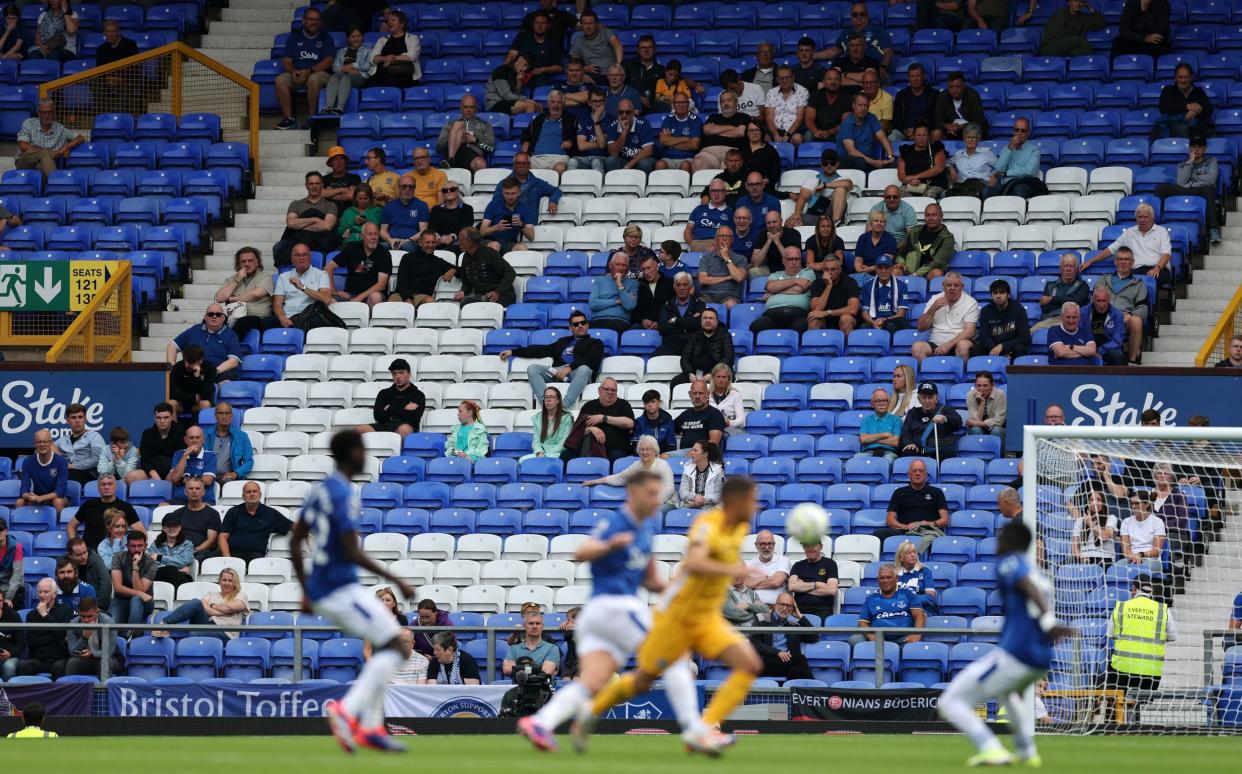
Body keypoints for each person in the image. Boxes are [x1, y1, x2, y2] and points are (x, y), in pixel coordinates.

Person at [520, 471, 706, 750]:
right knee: (678, 655)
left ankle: (541, 723)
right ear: (634, 493)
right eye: (652, 494)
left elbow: (651, 580)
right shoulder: (617, 522)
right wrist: (609, 544)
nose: (658, 500)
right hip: (615, 607)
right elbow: (582, 552)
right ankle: (694, 730)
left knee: (593, 682)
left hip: (600, 616)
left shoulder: (645, 529)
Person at [583, 477, 762, 754]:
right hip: (677, 616)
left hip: (706, 617)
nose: (757, 506)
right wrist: (733, 571)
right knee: (643, 680)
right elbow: (694, 561)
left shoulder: (740, 528)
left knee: (749, 665)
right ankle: (588, 712)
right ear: (737, 501)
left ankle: (704, 729)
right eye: (753, 499)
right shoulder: (707, 524)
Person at [291, 431, 416, 752]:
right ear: (350, 453)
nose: (365, 456)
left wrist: (306, 588)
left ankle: (373, 728)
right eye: (362, 450)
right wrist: (397, 579)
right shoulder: (343, 493)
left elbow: (295, 538)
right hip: (339, 588)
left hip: (329, 587)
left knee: (387, 642)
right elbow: (351, 551)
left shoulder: (321, 490)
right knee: (396, 648)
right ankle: (347, 712)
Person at [939, 521, 1073, 767]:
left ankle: (991, 749)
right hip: (1039, 658)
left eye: (1001, 538)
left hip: (1016, 654)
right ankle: (1026, 751)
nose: (996, 543)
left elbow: (1028, 588)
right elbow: (1034, 594)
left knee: (949, 701)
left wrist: (1048, 620)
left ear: (1012, 541)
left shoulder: (1010, 562)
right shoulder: (1037, 572)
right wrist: (1049, 624)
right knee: (1008, 694)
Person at [500, 310, 605, 409]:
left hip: (577, 372)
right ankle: (546, 405)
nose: (580, 326)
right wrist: (513, 352)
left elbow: (590, 358)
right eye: (576, 324)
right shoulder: (563, 341)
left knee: (584, 369)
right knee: (533, 369)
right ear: (571, 328)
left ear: (587, 325)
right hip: (557, 372)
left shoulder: (596, 343)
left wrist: (569, 368)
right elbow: (541, 350)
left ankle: (563, 407)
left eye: (583, 322)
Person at [274, 7, 335, 129]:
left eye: (317, 20)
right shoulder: (294, 38)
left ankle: (312, 119)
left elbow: (328, 61)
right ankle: (289, 119)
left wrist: (310, 71)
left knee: (313, 79)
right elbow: (286, 61)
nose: (314, 22)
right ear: (303, 21)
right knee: (280, 80)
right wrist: (293, 71)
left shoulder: (326, 37)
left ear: (321, 22)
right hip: (298, 73)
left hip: (319, 73)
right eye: (311, 19)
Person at [155, 567, 249, 642]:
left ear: (235, 583)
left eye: (230, 580)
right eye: (224, 580)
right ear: (219, 581)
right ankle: (163, 625)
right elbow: (203, 607)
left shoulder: (240, 595)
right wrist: (223, 612)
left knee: (194, 634)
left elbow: (231, 607)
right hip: (207, 623)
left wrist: (213, 606)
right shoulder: (211, 594)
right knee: (196, 602)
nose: (227, 583)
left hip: (225, 632)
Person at [1156, 134, 1220, 244]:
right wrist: (1190, 163)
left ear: (1205, 148)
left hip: (1201, 191)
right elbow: (1180, 182)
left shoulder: (1211, 161)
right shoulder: (1183, 164)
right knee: (1161, 189)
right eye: (1193, 146)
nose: (1196, 149)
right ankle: (1157, 225)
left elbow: (1211, 180)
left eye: (1199, 147)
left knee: (1208, 189)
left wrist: (1192, 178)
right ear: (1189, 148)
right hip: (1186, 190)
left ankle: (1213, 229)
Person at [1097, 247, 1151, 365]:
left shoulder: (1139, 284)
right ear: (1115, 262)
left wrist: (1130, 314)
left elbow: (1144, 309)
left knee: (1136, 321)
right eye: (1120, 259)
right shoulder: (1104, 280)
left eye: (1127, 259)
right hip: (1102, 316)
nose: (1123, 262)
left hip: (1124, 319)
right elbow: (1094, 301)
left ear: (1132, 262)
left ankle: (1132, 361)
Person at [851, 564, 926, 647]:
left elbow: (919, 615)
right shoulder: (870, 598)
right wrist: (871, 636)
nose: (885, 581)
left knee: (913, 646)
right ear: (877, 579)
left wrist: (917, 633)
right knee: (855, 639)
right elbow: (862, 622)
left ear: (896, 578)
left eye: (888, 577)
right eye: (882, 578)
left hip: (904, 638)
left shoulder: (908, 593)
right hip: (878, 639)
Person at [561, 378, 634, 462]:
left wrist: (604, 418)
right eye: (607, 389)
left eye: (613, 390)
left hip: (616, 449)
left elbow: (630, 423)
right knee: (565, 456)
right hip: (588, 448)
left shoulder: (623, 404)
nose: (610, 392)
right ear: (599, 390)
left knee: (617, 457)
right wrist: (591, 429)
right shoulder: (588, 406)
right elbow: (577, 431)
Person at [274, 173, 339, 265]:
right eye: (311, 184)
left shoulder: (330, 205)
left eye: (317, 183)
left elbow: (327, 226)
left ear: (322, 185)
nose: (314, 186)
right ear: (306, 186)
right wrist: (315, 219)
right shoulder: (296, 204)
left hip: (321, 243)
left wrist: (300, 225)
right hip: (297, 241)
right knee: (278, 248)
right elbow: (291, 224)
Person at [912, 272, 978, 363]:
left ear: (962, 286)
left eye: (956, 285)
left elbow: (970, 332)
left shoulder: (970, 302)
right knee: (917, 347)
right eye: (949, 285)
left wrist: (947, 345)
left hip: (958, 343)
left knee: (963, 345)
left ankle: (962, 375)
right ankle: (929, 375)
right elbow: (921, 327)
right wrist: (933, 308)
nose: (952, 288)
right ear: (943, 285)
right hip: (936, 343)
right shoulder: (935, 299)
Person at [219, 481, 292, 564]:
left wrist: (306, 532)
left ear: (260, 495)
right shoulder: (233, 512)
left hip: (254, 556)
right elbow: (222, 537)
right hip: (231, 553)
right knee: (206, 560)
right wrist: (227, 558)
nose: (252, 494)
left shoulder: (270, 514)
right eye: (248, 492)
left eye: (255, 491)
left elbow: (291, 526)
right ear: (243, 496)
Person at [816, 2, 895, 77]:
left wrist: (883, 66)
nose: (858, 17)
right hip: (851, 69)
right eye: (855, 14)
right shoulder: (846, 32)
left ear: (867, 16)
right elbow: (834, 51)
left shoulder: (878, 31)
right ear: (851, 17)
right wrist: (812, 56)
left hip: (874, 69)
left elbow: (888, 52)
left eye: (862, 14)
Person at [324, 223, 391, 309]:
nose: (373, 237)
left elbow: (381, 285)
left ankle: (371, 322)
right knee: (328, 300)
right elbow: (328, 267)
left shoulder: (384, 253)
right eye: (370, 234)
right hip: (350, 294)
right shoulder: (352, 248)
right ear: (362, 236)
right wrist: (333, 291)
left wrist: (358, 299)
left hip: (371, 295)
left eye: (376, 234)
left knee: (375, 297)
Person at [215, 247, 274, 343]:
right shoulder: (232, 279)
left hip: (256, 318)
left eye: (250, 260)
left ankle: (227, 346)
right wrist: (237, 280)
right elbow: (219, 298)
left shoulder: (265, 277)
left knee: (245, 321)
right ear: (238, 264)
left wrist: (232, 299)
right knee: (211, 316)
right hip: (233, 316)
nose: (247, 264)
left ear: (257, 262)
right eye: (243, 261)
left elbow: (257, 294)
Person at [749, 248, 815, 334]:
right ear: (783, 261)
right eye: (790, 259)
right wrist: (795, 280)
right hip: (772, 315)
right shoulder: (776, 274)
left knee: (802, 326)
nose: (794, 262)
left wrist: (775, 291)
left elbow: (798, 290)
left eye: (797, 259)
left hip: (798, 314)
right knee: (756, 326)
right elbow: (770, 287)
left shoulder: (807, 272)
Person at [17, 97, 84, 180]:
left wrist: (62, 150)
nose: (47, 115)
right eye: (44, 113)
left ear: (54, 113)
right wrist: (47, 152)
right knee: (44, 153)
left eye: (50, 112)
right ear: (39, 113)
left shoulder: (60, 128)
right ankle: (57, 183)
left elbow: (80, 138)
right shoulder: (29, 123)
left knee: (41, 167)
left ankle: (53, 188)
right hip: (25, 163)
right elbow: (23, 146)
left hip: (43, 165)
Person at [69, 472, 141, 549]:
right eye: (103, 484)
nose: (106, 487)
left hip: (114, 553)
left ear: (115, 486)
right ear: (98, 488)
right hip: (89, 553)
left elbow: (141, 533)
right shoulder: (88, 505)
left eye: (110, 484)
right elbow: (71, 526)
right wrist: (74, 544)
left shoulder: (126, 507)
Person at [357, 358, 425, 437]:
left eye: (401, 373)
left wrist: (390, 408)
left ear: (409, 374)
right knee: (359, 429)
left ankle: (399, 449)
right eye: (394, 373)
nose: (398, 376)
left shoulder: (418, 395)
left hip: (406, 426)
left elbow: (414, 418)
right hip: (385, 426)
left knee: (404, 429)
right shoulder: (383, 393)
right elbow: (378, 416)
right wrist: (404, 409)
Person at [16, 578, 70, 677]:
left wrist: (45, 614)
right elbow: (31, 642)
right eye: (40, 592)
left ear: (54, 594)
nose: (42, 595)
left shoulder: (65, 610)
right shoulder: (31, 615)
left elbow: (62, 633)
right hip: (38, 658)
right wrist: (54, 637)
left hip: (58, 658)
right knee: (23, 665)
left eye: (46, 592)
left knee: (59, 667)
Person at [898, 383, 964, 461]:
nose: (927, 401)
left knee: (948, 453)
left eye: (930, 397)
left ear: (936, 398)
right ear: (919, 399)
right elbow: (905, 432)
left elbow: (959, 423)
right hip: (918, 449)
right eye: (924, 398)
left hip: (939, 448)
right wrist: (908, 443)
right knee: (908, 451)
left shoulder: (945, 410)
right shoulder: (912, 413)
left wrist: (945, 419)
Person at [389, 232, 455, 309]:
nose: (430, 245)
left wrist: (453, 270)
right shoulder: (407, 258)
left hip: (423, 297)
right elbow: (402, 280)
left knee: (431, 302)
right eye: (427, 242)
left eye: (433, 242)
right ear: (420, 243)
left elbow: (461, 270)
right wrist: (406, 299)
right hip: (401, 295)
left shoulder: (438, 262)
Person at [454, 227, 517, 306]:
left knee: (487, 303)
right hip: (481, 296)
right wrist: (463, 291)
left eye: (461, 240)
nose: (458, 242)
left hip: (501, 295)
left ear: (470, 242)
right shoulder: (465, 257)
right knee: (464, 303)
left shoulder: (489, 253)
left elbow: (510, 272)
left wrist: (497, 291)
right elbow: (466, 282)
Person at [673, 308, 735, 389]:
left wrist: (712, 374)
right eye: (705, 318)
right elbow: (685, 357)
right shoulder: (694, 336)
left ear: (716, 322)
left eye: (711, 318)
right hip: (694, 374)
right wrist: (690, 373)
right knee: (675, 382)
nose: (707, 321)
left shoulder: (725, 336)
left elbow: (728, 358)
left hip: (718, 373)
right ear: (701, 321)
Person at [790, 150, 853, 228]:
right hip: (816, 215)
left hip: (832, 215)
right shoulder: (812, 179)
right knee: (791, 222)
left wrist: (825, 185)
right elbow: (803, 197)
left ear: (837, 164)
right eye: (825, 163)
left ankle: (834, 224)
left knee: (840, 190)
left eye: (832, 163)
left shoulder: (843, 179)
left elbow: (849, 184)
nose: (829, 166)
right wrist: (797, 214)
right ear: (821, 164)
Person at [983, 117, 1043, 200]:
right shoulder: (1006, 148)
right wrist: (1010, 148)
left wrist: (1006, 173)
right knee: (987, 191)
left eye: (1023, 130)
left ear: (1028, 133)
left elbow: (1029, 172)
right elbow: (999, 169)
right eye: (1017, 130)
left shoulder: (1034, 150)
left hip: (1024, 184)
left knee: (1019, 189)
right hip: (1006, 185)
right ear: (1013, 131)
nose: (1019, 133)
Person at [107, 529, 156, 628]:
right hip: (121, 600)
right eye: (133, 546)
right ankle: (127, 634)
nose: (137, 549)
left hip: (144, 603)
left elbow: (140, 590)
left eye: (140, 546)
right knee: (111, 627)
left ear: (145, 546)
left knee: (136, 599)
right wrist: (140, 593)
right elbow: (117, 587)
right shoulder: (118, 557)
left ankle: (132, 633)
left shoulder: (151, 563)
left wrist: (135, 567)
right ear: (127, 546)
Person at [520, 91, 576, 174]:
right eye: (553, 102)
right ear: (548, 104)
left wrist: (570, 142)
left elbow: (576, 138)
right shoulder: (538, 120)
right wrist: (525, 143)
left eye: (559, 102)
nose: (555, 105)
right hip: (536, 159)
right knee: (521, 166)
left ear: (563, 105)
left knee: (560, 168)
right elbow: (525, 134)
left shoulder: (571, 120)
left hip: (558, 159)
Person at [974, 279, 1031, 361]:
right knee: (976, 349)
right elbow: (984, 337)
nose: (998, 296)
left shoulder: (1019, 310)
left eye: (1002, 292)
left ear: (1008, 295)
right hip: (992, 347)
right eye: (995, 293)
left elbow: (1025, 337)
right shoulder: (985, 311)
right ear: (991, 295)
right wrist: (996, 350)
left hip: (1010, 347)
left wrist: (1003, 346)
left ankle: (1016, 373)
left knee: (1020, 348)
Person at [694, 91, 750, 172]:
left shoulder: (743, 117)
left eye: (729, 100)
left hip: (733, 152)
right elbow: (706, 130)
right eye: (723, 101)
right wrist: (733, 128)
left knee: (731, 169)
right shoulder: (713, 117)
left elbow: (740, 132)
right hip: (709, 152)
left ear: (736, 102)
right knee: (698, 163)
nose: (726, 103)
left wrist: (716, 130)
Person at [437, 95, 494, 173]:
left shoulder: (485, 125)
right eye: (466, 107)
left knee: (481, 163)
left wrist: (475, 140)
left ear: (476, 108)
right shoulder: (451, 124)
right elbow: (439, 147)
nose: (468, 110)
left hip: (473, 155)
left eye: (472, 107)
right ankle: (450, 159)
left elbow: (490, 148)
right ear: (460, 108)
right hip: (454, 153)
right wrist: (454, 138)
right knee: (458, 125)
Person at [167, 477, 221, 562]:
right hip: (179, 552)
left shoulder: (213, 514)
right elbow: (170, 536)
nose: (194, 491)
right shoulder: (177, 513)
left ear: (203, 492)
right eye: (191, 488)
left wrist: (194, 550)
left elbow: (211, 541)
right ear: (185, 492)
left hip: (202, 553)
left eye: (198, 488)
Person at [16, 429, 68, 514]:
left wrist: (41, 498)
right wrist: (29, 496)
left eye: (45, 441)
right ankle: (24, 525)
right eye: (39, 442)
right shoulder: (28, 461)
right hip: (36, 496)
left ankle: (58, 526)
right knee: (19, 502)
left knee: (58, 502)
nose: (42, 445)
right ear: (35, 444)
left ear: (51, 443)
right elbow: (24, 489)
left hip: (55, 497)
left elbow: (60, 491)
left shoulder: (61, 462)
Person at [1033, 253, 1091, 331]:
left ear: (1077, 269)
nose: (1068, 269)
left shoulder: (1083, 286)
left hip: (1073, 320)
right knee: (1031, 332)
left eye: (1071, 266)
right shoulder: (1050, 286)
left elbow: (1078, 301)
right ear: (1061, 268)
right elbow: (1045, 308)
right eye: (1065, 266)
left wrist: (1051, 300)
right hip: (1052, 320)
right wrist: (1068, 302)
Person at [323, 25, 372, 114]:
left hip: (361, 76)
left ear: (362, 37)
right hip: (345, 73)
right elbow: (335, 67)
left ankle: (340, 108)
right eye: (352, 37)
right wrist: (348, 70)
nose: (356, 39)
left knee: (346, 77)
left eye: (358, 36)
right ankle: (329, 107)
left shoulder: (368, 51)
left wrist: (353, 65)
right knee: (334, 76)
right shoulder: (341, 51)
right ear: (348, 39)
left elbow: (368, 66)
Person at [507, 11, 564, 88]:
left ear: (548, 25)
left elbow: (559, 67)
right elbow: (511, 56)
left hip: (541, 76)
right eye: (537, 23)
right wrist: (502, 72)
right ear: (533, 25)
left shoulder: (553, 42)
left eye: (543, 23)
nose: (539, 26)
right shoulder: (523, 37)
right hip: (520, 74)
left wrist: (542, 69)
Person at [838, 93, 894, 171]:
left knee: (892, 164)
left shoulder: (872, 118)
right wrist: (874, 162)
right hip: (848, 161)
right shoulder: (847, 124)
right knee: (861, 162)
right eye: (860, 105)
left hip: (867, 159)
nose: (863, 108)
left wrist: (891, 156)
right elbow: (852, 152)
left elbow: (882, 137)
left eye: (866, 105)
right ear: (854, 106)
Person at [481, 176, 536, 254]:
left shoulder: (524, 208)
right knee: (496, 245)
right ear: (502, 192)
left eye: (513, 193)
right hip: (490, 240)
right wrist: (496, 227)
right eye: (507, 193)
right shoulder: (494, 204)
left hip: (509, 243)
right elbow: (482, 232)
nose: (510, 197)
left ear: (519, 192)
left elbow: (531, 236)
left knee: (522, 248)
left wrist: (521, 225)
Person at [786, 538, 839, 619]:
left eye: (813, 545)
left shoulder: (830, 564)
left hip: (822, 609)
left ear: (821, 547)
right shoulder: (798, 565)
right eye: (806, 546)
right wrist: (817, 584)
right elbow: (791, 587)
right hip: (798, 609)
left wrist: (802, 588)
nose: (810, 548)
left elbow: (831, 590)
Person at [367, 8, 420, 89]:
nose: (389, 23)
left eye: (393, 20)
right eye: (389, 20)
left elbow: (411, 56)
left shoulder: (413, 39)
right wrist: (386, 59)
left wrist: (393, 58)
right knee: (367, 88)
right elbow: (373, 58)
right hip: (380, 75)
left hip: (402, 74)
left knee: (392, 84)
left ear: (402, 24)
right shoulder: (382, 40)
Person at [671, 381, 727, 456]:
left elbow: (713, 444)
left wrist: (694, 452)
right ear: (690, 395)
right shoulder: (685, 414)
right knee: (662, 457)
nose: (697, 396)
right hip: (683, 453)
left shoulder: (715, 414)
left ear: (708, 394)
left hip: (704, 453)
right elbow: (669, 428)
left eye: (700, 393)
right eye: (694, 393)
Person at [697, 227, 749, 307]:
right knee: (697, 305)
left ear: (732, 240)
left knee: (731, 305)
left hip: (729, 296)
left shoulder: (740, 258)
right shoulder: (706, 257)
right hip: (707, 295)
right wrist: (727, 278)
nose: (724, 239)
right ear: (716, 239)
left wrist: (726, 257)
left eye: (727, 236)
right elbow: (703, 280)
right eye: (721, 236)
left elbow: (739, 277)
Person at [654, 272, 704, 355]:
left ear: (690, 287)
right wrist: (686, 326)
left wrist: (676, 321)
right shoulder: (667, 305)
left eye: (685, 285)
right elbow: (662, 328)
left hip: (692, 347)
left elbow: (698, 325)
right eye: (678, 285)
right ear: (674, 287)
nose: (681, 288)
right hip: (670, 348)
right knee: (655, 360)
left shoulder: (699, 304)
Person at [588, 252, 639, 333]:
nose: (620, 268)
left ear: (628, 268)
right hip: (598, 321)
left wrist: (619, 284)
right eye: (617, 264)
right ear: (610, 265)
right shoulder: (599, 280)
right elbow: (593, 304)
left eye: (624, 265)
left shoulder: (633, 283)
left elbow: (629, 305)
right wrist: (617, 301)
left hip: (620, 322)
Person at [521, 387, 574, 463]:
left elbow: (564, 442)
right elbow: (536, 441)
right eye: (546, 397)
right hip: (541, 454)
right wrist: (539, 452)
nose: (548, 400)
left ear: (558, 400)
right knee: (522, 461)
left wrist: (548, 455)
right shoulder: (537, 418)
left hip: (558, 453)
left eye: (552, 397)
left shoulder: (567, 418)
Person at [503, 608, 561, 678]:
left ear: (542, 626)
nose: (534, 626)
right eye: (531, 623)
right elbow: (507, 669)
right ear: (524, 626)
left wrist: (519, 669)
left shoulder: (552, 648)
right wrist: (537, 668)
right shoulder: (513, 648)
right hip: (517, 686)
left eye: (538, 623)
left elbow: (546, 671)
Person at [654, 91, 702, 173]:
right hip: (668, 157)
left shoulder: (695, 120)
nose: (680, 105)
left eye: (683, 102)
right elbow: (663, 140)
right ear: (673, 105)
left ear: (688, 104)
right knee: (660, 165)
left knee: (685, 165)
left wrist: (671, 144)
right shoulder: (668, 119)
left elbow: (694, 145)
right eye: (677, 103)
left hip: (688, 157)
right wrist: (686, 139)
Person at [945, 123, 997, 199]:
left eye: (973, 137)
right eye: (968, 137)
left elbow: (1000, 167)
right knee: (946, 194)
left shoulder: (986, 153)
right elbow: (946, 163)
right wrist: (951, 168)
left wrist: (994, 175)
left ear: (978, 139)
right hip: (964, 186)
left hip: (982, 185)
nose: (970, 140)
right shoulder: (958, 155)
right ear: (964, 138)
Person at [804, 69, 855, 145]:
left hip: (837, 132)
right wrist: (816, 131)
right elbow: (809, 120)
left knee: (845, 134)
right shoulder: (815, 95)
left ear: (840, 82)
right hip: (818, 132)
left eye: (836, 79)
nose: (833, 82)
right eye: (829, 79)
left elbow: (845, 123)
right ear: (824, 82)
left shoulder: (847, 97)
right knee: (808, 135)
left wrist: (829, 132)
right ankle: (809, 157)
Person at [166, 426, 216, 504]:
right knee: (162, 506)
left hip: (204, 499)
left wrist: (187, 479)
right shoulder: (179, 455)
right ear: (186, 440)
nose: (194, 440)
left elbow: (207, 480)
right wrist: (185, 455)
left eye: (197, 437)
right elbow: (175, 478)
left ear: (203, 440)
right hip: (180, 498)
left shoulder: (210, 455)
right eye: (191, 438)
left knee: (204, 510)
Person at [897, 123, 949, 198]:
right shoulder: (906, 151)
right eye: (918, 135)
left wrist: (915, 177)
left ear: (929, 137)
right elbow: (901, 175)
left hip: (933, 185)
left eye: (924, 135)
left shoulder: (936, 148)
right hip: (911, 185)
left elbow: (939, 168)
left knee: (929, 195)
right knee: (899, 192)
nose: (921, 138)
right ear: (913, 136)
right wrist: (910, 181)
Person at [209, 402, 254, 486]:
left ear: (231, 416)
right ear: (215, 416)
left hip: (228, 478)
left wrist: (235, 473)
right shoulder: (206, 435)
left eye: (227, 413)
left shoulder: (242, 436)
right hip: (208, 476)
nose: (224, 416)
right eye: (220, 413)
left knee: (229, 485)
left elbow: (249, 462)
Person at [1041, 0, 1108, 57]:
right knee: (1081, 40)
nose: (1078, 4)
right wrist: (1075, 40)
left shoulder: (1083, 18)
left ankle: (1090, 67)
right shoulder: (1061, 13)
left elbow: (1101, 23)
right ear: (1069, 3)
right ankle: (1092, 61)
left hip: (1068, 48)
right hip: (1050, 46)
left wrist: (1089, 7)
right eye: (1075, 1)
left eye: (1080, 1)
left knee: (1077, 53)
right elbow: (1059, 34)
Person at [892, 64, 940, 143]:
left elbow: (936, 118)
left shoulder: (934, 94)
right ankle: (890, 156)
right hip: (906, 132)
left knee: (935, 133)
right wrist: (905, 130)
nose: (915, 79)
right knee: (893, 137)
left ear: (923, 76)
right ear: (908, 78)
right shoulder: (901, 95)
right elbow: (896, 119)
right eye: (912, 76)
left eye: (918, 75)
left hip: (926, 131)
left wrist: (918, 131)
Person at [934, 72, 989, 141]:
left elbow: (977, 121)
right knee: (936, 133)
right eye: (951, 87)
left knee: (972, 131)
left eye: (957, 87)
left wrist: (961, 127)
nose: (954, 90)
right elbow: (938, 121)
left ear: (963, 85)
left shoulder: (973, 95)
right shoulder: (942, 97)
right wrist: (948, 126)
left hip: (970, 129)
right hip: (950, 131)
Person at [1120, 490, 1166, 571]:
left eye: (1137, 503)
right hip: (1131, 558)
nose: (1133, 506)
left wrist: (1140, 555)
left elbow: (1156, 551)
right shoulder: (1126, 522)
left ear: (1147, 504)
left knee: (1142, 569)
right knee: (1115, 569)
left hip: (1151, 559)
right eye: (1132, 503)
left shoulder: (1157, 522)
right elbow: (1126, 549)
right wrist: (1133, 557)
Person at [138, 403, 185, 481]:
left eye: (166, 417)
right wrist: (153, 474)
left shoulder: (181, 433)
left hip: (172, 472)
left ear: (172, 417)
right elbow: (145, 460)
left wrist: (170, 475)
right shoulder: (147, 434)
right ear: (154, 418)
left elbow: (181, 459)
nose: (162, 421)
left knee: (175, 476)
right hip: (152, 472)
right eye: (159, 418)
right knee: (132, 476)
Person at [764, 66, 808, 147]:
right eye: (781, 78)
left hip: (793, 129)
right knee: (764, 138)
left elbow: (799, 118)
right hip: (775, 129)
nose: (784, 81)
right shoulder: (771, 92)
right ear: (777, 80)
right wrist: (775, 134)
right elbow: (769, 118)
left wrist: (788, 134)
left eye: (787, 77)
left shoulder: (802, 91)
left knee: (797, 138)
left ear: (793, 77)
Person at [1083, 285, 1128, 366]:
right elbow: (1078, 334)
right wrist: (1089, 350)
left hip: (1108, 349)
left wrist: (1100, 351)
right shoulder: (1083, 312)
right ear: (1093, 300)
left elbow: (1117, 340)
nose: (1102, 305)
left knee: (1116, 355)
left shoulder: (1117, 315)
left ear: (1109, 300)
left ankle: (1119, 378)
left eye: (1104, 301)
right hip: (1087, 347)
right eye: (1099, 301)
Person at [1071, 489, 1118, 564]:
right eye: (1092, 500)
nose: (1095, 502)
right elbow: (1075, 546)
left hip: (1103, 557)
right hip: (1084, 557)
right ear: (1088, 503)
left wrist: (1090, 524)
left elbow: (1105, 536)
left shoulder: (1111, 518)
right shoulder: (1080, 521)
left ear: (1103, 503)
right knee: (1061, 567)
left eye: (1098, 499)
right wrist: (1080, 557)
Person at [1047, 300, 1101, 366]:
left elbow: (1092, 351)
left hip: (1084, 373)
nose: (1071, 321)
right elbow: (1060, 352)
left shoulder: (1086, 332)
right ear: (1061, 317)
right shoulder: (1054, 331)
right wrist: (1084, 352)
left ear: (1079, 318)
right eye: (1068, 317)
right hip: (1060, 373)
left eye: (1074, 317)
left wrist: (1070, 347)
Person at [746, 530, 792, 605]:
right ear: (756, 545)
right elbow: (745, 584)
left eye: (769, 543)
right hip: (755, 607)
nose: (766, 547)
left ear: (774, 544)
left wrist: (753, 584)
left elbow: (775, 582)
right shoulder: (749, 564)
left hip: (778, 608)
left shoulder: (783, 561)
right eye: (763, 544)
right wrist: (763, 580)